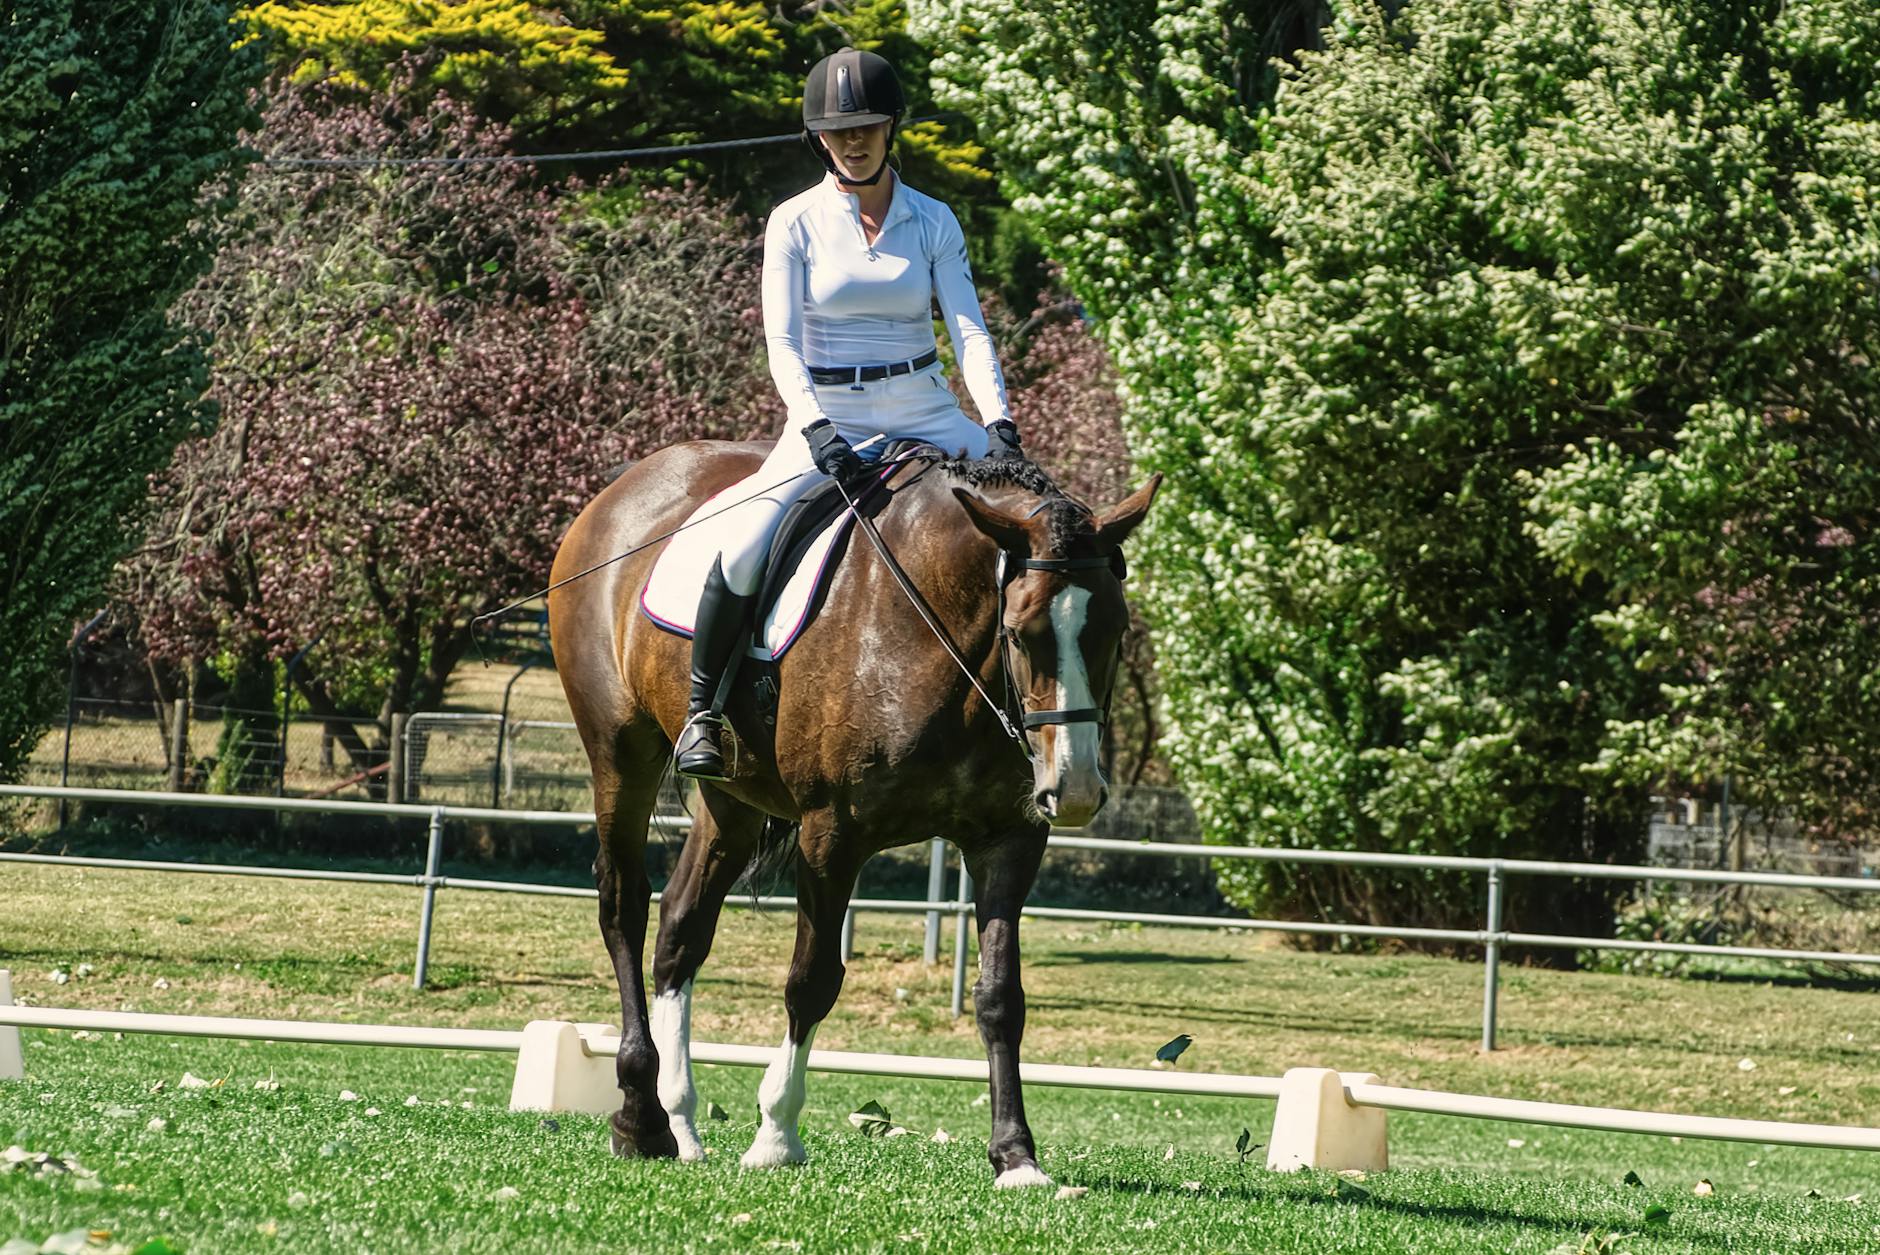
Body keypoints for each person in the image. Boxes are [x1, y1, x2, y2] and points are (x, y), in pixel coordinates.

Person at [673, 46, 1026, 780]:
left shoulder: (933, 220)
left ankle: (1036, 714)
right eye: (839, 130)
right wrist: (815, 427)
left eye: (867, 125)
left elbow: (967, 329)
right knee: (743, 543)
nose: (853, 140)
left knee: (1040, 517)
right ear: (819, 139)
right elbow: (781, 341)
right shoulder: (793, 221)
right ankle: (702, 713)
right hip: (829, 412)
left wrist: (998, 421)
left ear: (892, 126)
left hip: (927, 408)